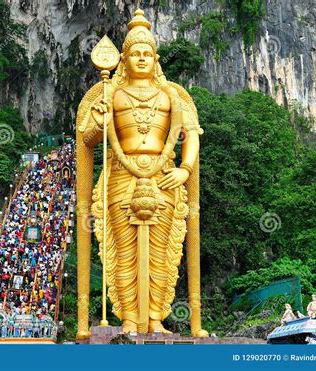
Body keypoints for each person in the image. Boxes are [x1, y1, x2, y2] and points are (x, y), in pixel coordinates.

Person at [76, 9, 206, 338]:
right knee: (124, 251)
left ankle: (156, 318)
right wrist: (102, 121)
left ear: (156, 57)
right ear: (124, 58)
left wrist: (185, 170)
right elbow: (87, 139)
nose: (142, 58)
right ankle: (130, 319)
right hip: (121, 175)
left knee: (162, 253)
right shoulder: (110, 94)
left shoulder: (172, 96)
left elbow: (191, 135)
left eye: (148, 53)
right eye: (135, 53)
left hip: (164, 176)